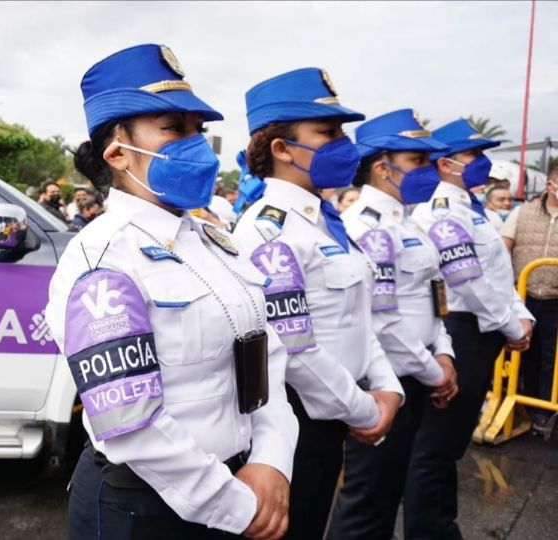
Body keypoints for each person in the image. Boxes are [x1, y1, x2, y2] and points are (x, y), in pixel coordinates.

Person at [46, 43, 298, 540]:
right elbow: (132, 422)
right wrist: (234, 506)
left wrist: (272, 461)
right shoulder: (101, 258)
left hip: (243, 484)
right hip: (147, 512)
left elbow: (266, 357)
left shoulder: (212, 241)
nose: (197, 145)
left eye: (197, 130)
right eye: (173, 128)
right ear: (117, 152)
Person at [229, 67, 404, 540]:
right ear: (282, 149)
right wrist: (365, 410)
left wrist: (387, 388)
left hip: (335, 415)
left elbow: (360, 317)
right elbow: (297, 350)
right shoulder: (269, 231)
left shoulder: (327, 222)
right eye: (327, 132)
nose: (343, 144)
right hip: (296, 425)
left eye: (342, 132)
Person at [328, 109, 460, 539]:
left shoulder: (410, 223)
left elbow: (430, 295)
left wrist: (443, 351)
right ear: (383, 168)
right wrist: (433, 370)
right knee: (368, 503)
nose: (428, 170)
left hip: (419, 372)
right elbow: (382, 320)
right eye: (417, 161)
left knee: (389, 494)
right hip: (389, 381)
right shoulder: (368, 227)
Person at [406, 118, 535, 539]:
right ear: (445, 164)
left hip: (484, 328)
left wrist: (521, 316)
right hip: (465, 330)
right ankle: (429, 530)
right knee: (435, 446)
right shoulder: (443, 212)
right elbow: (468, 281)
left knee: (451, 443)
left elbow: (498, 275)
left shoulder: (473, 210)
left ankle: (444, 526)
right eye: (472, 155)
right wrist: (509, 325)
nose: (482, 162)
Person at [501, 165, 558, 433]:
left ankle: (543, 410)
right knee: (525, 353)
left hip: (555, 299)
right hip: (523, 297)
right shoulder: (522, 212)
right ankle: (522, 405)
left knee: (551, 358)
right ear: (550, 186)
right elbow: (503, 247)